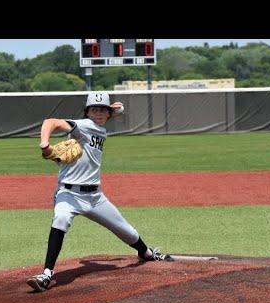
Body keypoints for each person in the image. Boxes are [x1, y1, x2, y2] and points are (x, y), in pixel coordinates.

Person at [26, 92, 173, 292]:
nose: (99, 113)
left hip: (95, 197)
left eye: (103, 110)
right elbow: (51, 121)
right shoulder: (84, 125)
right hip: (68, 194)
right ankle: (46, 274)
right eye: (94, 109)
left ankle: (146, 253)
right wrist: (44, 144)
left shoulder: (101, 125)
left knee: (126, 230)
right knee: (60, 219)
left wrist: (112, 109)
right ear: (86, 112)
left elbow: (118, 108)